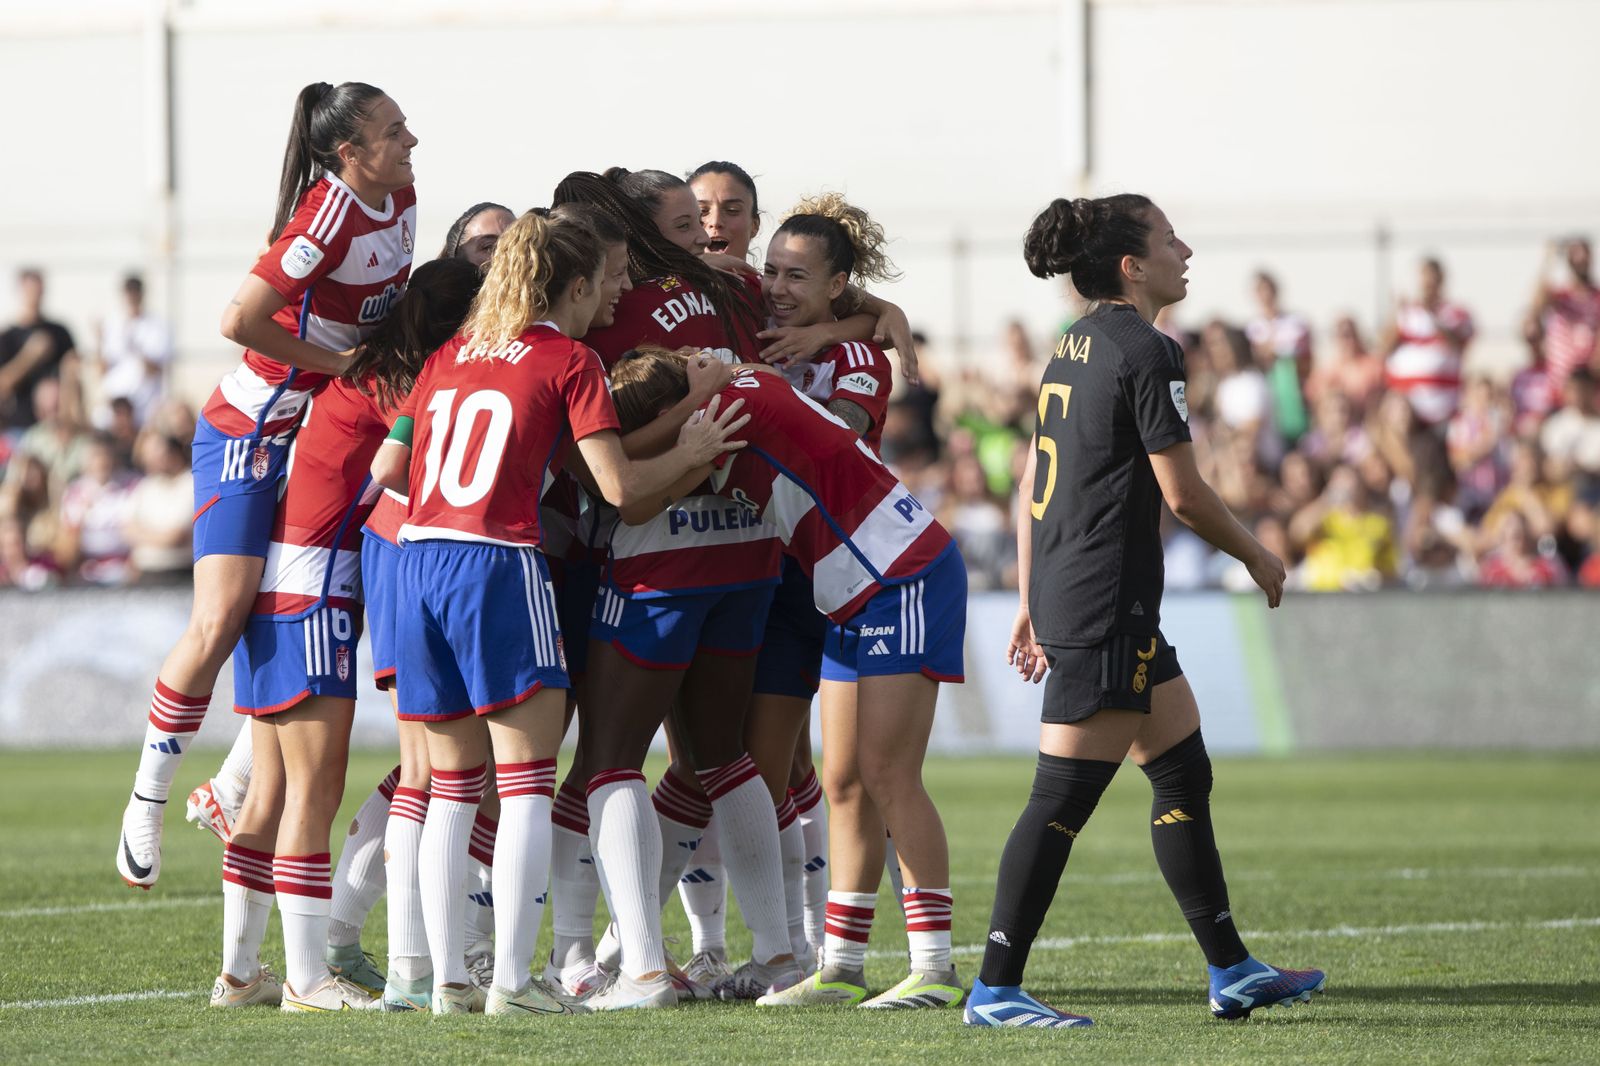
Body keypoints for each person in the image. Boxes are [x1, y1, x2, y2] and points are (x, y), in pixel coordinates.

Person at [964, 193, 1323, 1030]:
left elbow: (1032, 483)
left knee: (1180, 769)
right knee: (1059, 797)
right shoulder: (1146, 347)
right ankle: (994, 987)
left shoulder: (1072, 346)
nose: (1186, 249)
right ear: (1133, 264)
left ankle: (1232, 968)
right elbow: (1185, 495)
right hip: (1102, 600)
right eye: (1170, 239)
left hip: (1083, 593)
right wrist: (1258, 554)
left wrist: (1027, 597)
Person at [379, 210, 747, 1016]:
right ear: (574, 286)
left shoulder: (449, 355)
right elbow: (618, 488)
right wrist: (692, 449)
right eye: (599, 289)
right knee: (524, 786)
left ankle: (447, 982)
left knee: (450, 787)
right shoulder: (568, 357)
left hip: (418, 561)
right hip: (498, 565)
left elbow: (394, 469)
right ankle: (512, 983)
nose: (604, 306)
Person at [114, 80, 418, 890]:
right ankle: (146, 801)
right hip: (254, 433)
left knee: (322, 606)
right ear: (349, 153)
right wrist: (342, 364)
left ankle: (233, 785)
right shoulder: (328, 217)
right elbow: (239, 319)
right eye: (393, 132)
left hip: (324, 438)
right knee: (220, 619)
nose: (411, 141)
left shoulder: (403, 196)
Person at [606, 350, 967, 1011]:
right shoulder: (719, 411)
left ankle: (935, 968)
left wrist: (681, 417)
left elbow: (625, 479)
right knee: (843, 782)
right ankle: (842, 968)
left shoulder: (735, 402)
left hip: (900, 574)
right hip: (853, 593)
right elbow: (637, 487)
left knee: (889, 774)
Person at [1382, 257, 1475, 427]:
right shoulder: (1406, 313)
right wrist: (1396, 311)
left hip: (1441, 412)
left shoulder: (1455, 313)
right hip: (1406, 416)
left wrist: (1431, 314)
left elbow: (1458, 345)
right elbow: (1384, 348)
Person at [0, 268, 79, 430]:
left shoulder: (59, 332)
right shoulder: (8, 337)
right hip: (22, 424)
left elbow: (75, 370)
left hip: (57, 425)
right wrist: (30, 357)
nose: (35, 296)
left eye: (38, 291)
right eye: (30, 291)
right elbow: (3, 384)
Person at [94, 274, 173, 428]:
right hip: (113, 407)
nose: (131, 297)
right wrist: (98, 341)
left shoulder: (157, 326)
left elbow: (156, 369)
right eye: (128, 292)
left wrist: (136, 348)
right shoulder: (112, 324)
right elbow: (101, 369)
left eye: (135, 292)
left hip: (143, 410)